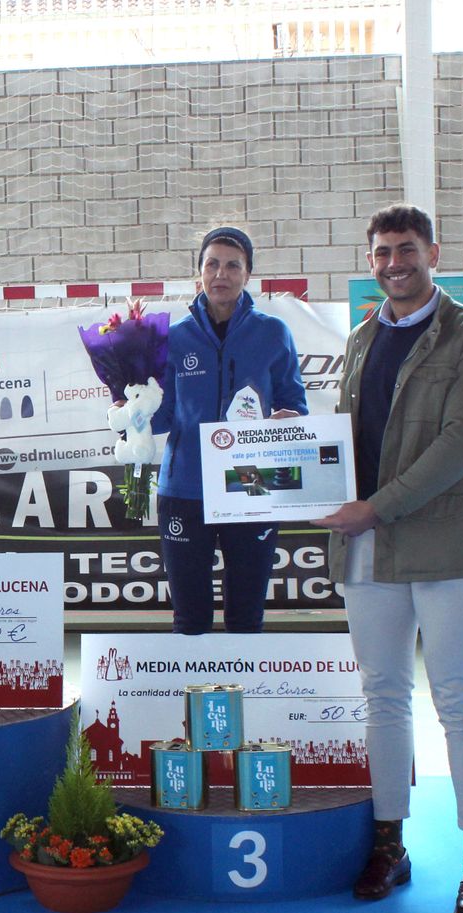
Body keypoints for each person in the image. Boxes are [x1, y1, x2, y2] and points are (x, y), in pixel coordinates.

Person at [312, 204, 463, 913]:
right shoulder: (363, 339)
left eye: (406, 251)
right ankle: (389, 845)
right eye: (382, 254)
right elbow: (347, 441)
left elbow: (460, 447)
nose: (394, 264)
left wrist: (377, 506)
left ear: (432, 251)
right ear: (371, 262)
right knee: (383, 697)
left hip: (445, 545)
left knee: (457, 698)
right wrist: (294, 458)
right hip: (368, 547)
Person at [150, 226, 308, 634]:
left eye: (233, 265)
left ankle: (246, 698)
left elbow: (295, 403)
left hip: (251, 481)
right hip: (184, 487)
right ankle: (193, 701)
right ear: (199, 272)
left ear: (248, 274)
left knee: (246, 613)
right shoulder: (174, 337)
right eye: (212, 264)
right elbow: (161, 416)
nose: (221, 273)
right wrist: (128, 407)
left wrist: (289, 419)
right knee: (190, 618)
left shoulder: (273, 333)